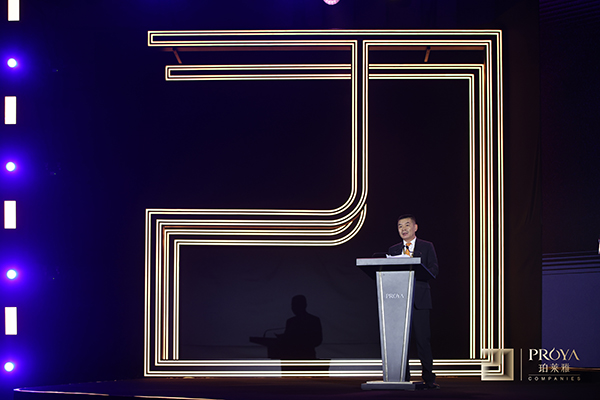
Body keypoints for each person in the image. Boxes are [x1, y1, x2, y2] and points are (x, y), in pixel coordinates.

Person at [388, 214, 439, 390]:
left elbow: (434, 269)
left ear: (415, 227)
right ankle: (402, 377)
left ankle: (429, 378)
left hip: (420, 300)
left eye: (407, 225)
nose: (403, 229)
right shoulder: (393, 249)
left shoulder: (426, 246)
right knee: (401, 343)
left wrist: (418, 269)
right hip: (398, 301)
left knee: (423, 340)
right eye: (400, 226)